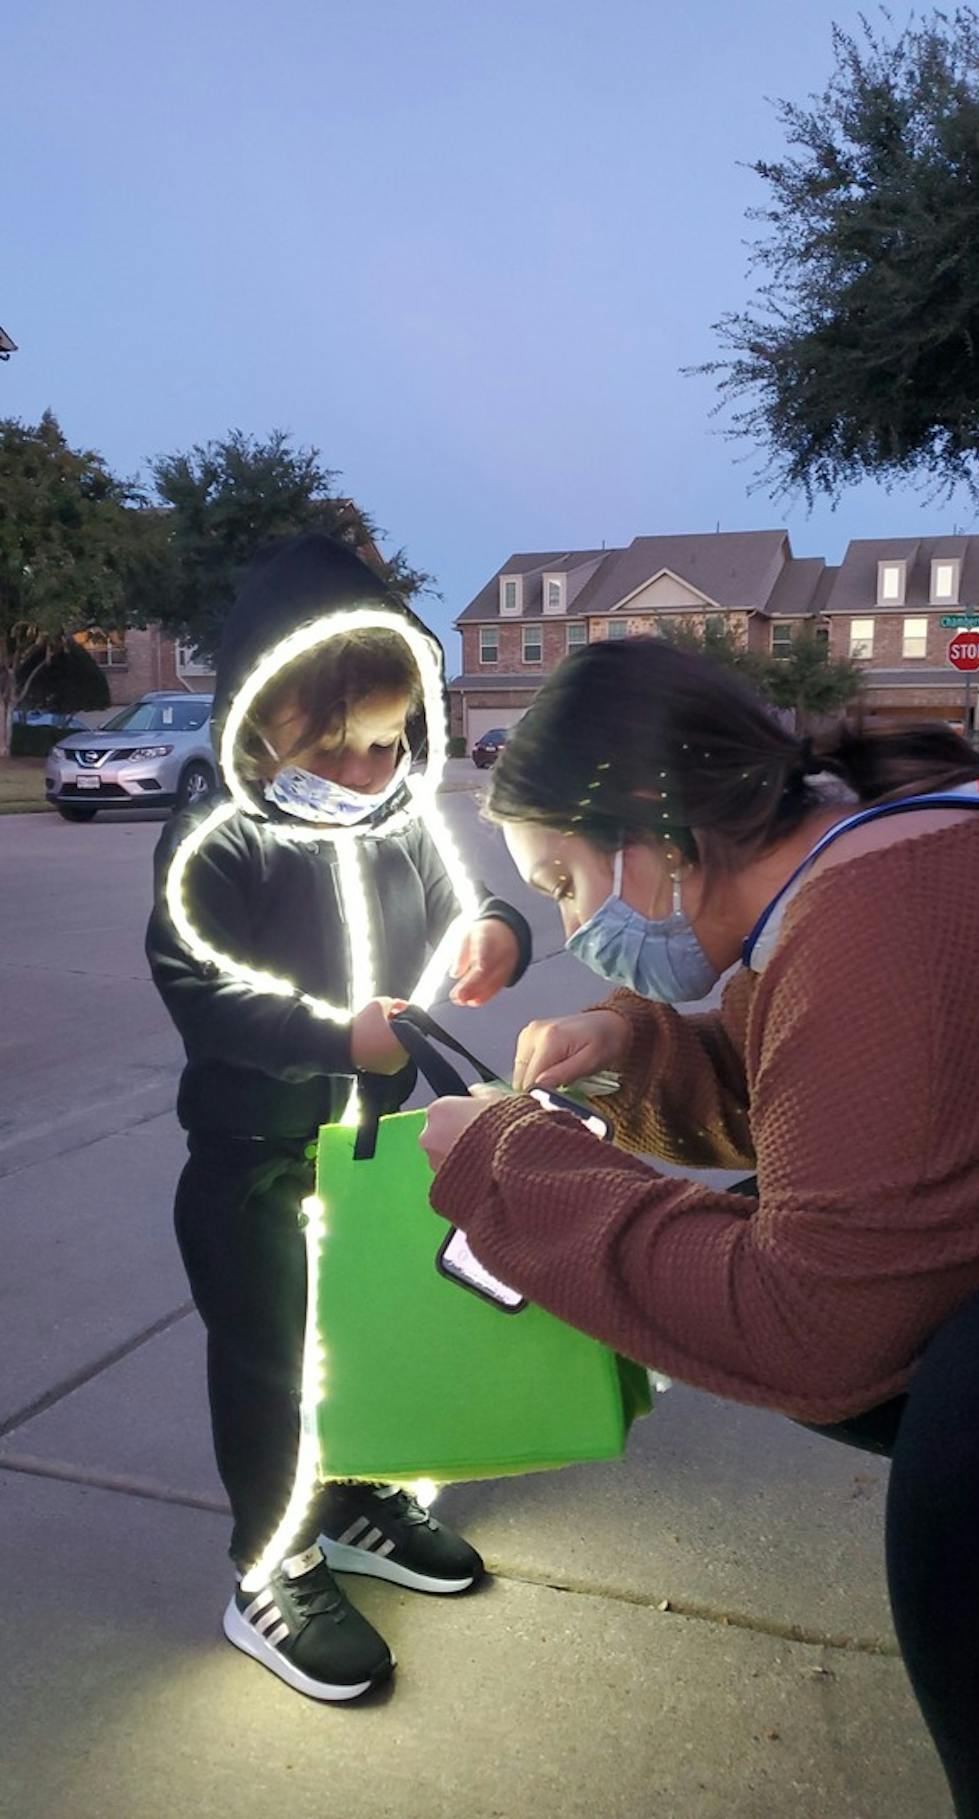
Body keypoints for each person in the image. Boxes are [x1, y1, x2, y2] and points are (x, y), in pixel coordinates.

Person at [419, 637, 979, 1818]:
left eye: (560, 883)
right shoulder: (891, 838)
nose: (570, 923)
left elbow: (813, 1324)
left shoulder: (875, 916)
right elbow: (853, 1102)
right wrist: (634, 1047)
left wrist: (507, 1166)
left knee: (970, 1448)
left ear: (657, 837)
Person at [146, 534, 531, 1704]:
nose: (372, 768)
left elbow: (475, 898)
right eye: (344, 744)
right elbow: (198, 981)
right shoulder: (223, 838)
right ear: (268, 723)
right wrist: (333, 1035)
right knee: (270, 1365)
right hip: (253, 1160)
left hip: (367, 1156)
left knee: (360, 1342)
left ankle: (355, 1496)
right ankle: (269, 1562)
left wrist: (497, 934)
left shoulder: (402, 819)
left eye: (390, 739)